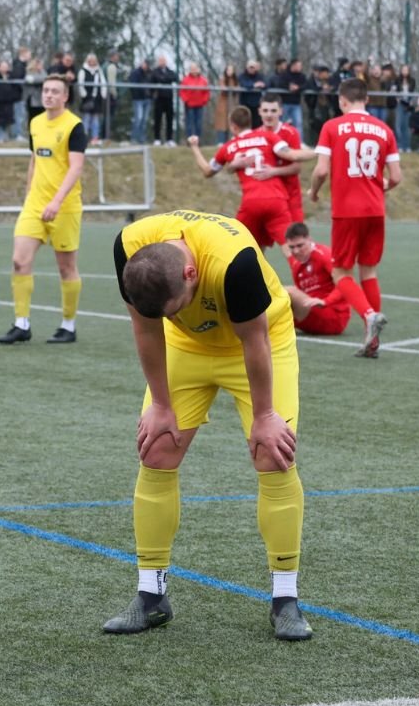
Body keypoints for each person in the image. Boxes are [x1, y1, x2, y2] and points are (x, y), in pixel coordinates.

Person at [103, 208, 311, 641]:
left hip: (256, 340)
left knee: (272, 455)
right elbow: (146, 329)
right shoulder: (129, 249)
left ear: (192, 273)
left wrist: (265, 416)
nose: (170, 313)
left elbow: (255, 341)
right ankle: (151, 596)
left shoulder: (236, 264)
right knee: (157, 446)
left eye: (175, 306)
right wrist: (160, 403)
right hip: (188, 347)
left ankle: (285, 599)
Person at [309, 77, 400, 358]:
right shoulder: (384, 130)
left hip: (347, 211)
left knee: (340, 272)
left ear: (341, 101)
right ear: (367, 100)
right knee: (368, 271)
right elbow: (396, 177)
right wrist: (376, 186)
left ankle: (369, 315)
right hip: (375, 209)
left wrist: (313, 192)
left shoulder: (332, 127)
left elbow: (321, 170)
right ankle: (371, 342)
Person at [0, 75, 88, 345]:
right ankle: (21, 324)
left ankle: (68, 326)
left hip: (65, 207)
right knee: (19, 261)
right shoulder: (35, 123)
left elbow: (76, 167)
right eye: (46, 90)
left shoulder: (74, 126)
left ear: (65, 97)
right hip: (35, 205)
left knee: (66, 268)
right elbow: (34, 160)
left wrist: (56, 202)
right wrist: (28, 195)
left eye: (54, 91)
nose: (48, 95)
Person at [186, 105, 314, 252]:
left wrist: (195, 147)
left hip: (251, 203)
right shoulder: (268, 136)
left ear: (233, 126)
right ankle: (303, 273)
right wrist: (322, 150)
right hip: (276, 200)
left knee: (239, 248)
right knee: (291, 248)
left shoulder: (228, 147)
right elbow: (293, 155)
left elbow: (207, 171)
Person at [283, 222, 350, 336]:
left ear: (309, 239)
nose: (296, 251)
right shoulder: (297, 264)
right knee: (273, 293)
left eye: (300, 245)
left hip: (333, 316)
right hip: (312, 313)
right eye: (292, 247)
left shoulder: (323, 255)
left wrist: (326, 301)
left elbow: (346, 284)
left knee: (287, 291)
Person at [256, 94, 309, 223]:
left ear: (280, 111)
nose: (269, 115)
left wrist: (273, 171)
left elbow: (297, 167)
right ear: (259, 112)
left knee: (296, 240)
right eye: (265, 110)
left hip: (290, 196)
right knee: (255, 241)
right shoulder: (255, 135)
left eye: (273, 111)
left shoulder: (290, 132)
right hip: (265, 198)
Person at [78, 53, 108, 146]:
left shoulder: (99, 71)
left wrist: (103, 94)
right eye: (91, 60)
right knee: (86, 118)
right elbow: (81, 83)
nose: (92, 62)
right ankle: (85, 137)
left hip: (97, 99)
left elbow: (103, 83)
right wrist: (84, 95)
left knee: (95, 119)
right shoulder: (83, 70)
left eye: (94, 60)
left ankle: (95, 138)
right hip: (87, 98)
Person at [179, 62, 211, 143]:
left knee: (199, 124)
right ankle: (189, 140)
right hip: (189, 105)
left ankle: (198, 140)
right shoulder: (185, 80)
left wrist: (204, 100)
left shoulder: (203, 80)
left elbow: (206, 92)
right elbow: (182, 91)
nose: (194, 71)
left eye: (195, 69)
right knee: (189, 123)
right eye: (192, 69)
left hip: (199, 105)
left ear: (198, 69)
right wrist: (187, 100)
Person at [150, 55, 178, 146]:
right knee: (157, 119)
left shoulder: (170, 71)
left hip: (169, 98)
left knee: (169, 119)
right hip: (159, 99)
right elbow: (155, 78)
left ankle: (169, 139)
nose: (162, 62)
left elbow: (174, 77)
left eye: (164, 61)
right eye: (161, 61)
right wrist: (164, 79)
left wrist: (163, 79)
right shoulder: (155, 71)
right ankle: (157, 139)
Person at [213, 63, 240, 144]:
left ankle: (233, 140)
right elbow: (223, 89)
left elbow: (237, 89)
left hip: (232, 103)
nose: (230, 72)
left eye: (231, 70)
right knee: (222, 123)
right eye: (228, 70)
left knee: (233, 121)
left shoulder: (235, 80)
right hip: (223, 103)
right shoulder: (223, 79)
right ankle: (221, 141)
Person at [128, 57, 152, 144]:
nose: (146, 66)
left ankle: (142, 139)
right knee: (138, 118)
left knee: (144, 120)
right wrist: (137, 94)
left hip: (147, 99)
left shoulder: (150, 73)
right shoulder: (135, 73)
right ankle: (134, 138)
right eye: (145, 64)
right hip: (138, 100)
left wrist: (150, 95)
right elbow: (133, 85)